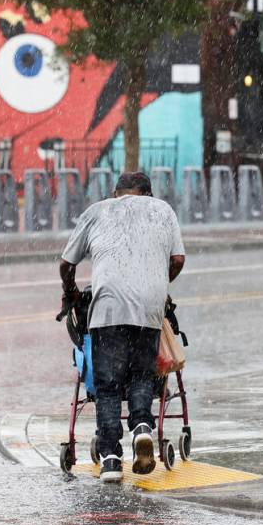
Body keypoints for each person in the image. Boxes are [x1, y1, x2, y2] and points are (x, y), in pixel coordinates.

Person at [59, 172, 186, 483]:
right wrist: (157, 282)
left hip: (108, 305)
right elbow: (179, 259)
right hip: (149, 306)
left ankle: (111, 458)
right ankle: (142, 427)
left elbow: (66, 264)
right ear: (147, 192)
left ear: (116, 192)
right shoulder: (162, 210)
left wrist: (70, 292)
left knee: (107, 384)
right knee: (143, 374)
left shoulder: (97, 211)